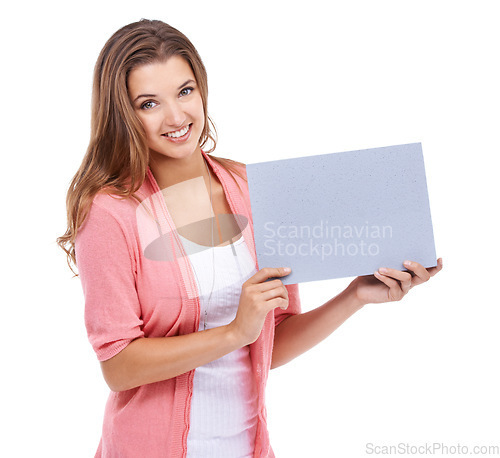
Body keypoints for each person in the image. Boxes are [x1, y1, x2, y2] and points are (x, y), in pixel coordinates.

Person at [56, 19, 443, 458]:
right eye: (149, 103)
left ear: (201, 88)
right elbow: (118, 366)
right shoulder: (111, 211)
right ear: (123, 113)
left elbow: (271, 342)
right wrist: (234, 331)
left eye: (185, 91)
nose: (177, 117)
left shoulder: (254, 188)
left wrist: (355, 295)